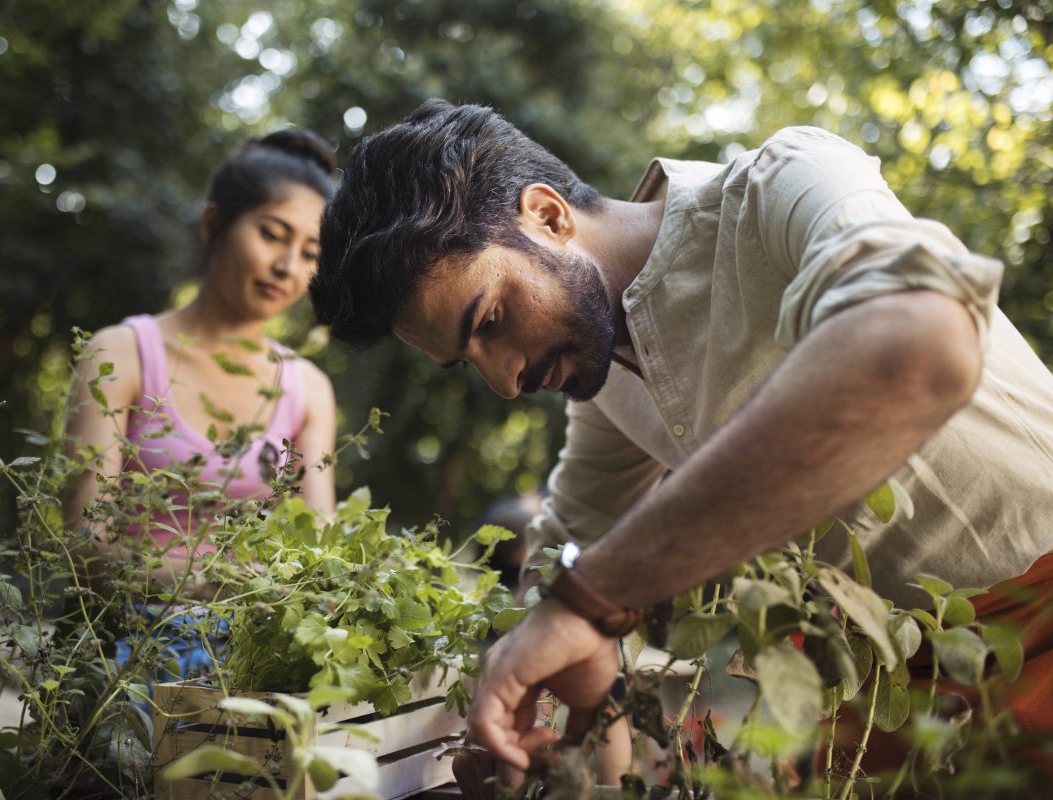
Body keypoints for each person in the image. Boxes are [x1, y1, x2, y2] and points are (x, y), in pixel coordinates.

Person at [309, 99, 1053, 780]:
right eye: (466, 361)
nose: (503, 381)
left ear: (546, 214)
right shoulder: (609, 386)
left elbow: (919, 350)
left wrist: (592, 600)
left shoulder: (786, 183)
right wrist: (530, 672)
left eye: (492, 321)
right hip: (896, 698)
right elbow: (566, 553)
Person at [67, 129, 338, 610]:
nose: (287, 266)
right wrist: (234, 581)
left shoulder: (308, 389)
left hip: (246, 665)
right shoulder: (121, 353)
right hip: (114, 655)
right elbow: (86, 547)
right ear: (213, 224)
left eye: (310, 253)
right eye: (272, 235)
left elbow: (316, 553)